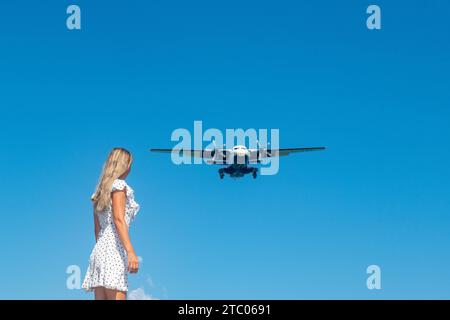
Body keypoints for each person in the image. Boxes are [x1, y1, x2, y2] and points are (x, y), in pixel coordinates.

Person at [82, 147, 140, 300]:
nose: (130, 168)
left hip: (99, 251)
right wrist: (130, 251)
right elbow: (118, 219)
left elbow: (97, 230)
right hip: (114, 250)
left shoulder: (98, 193)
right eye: (129, 164)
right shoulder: (119, 186)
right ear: (124, 165)